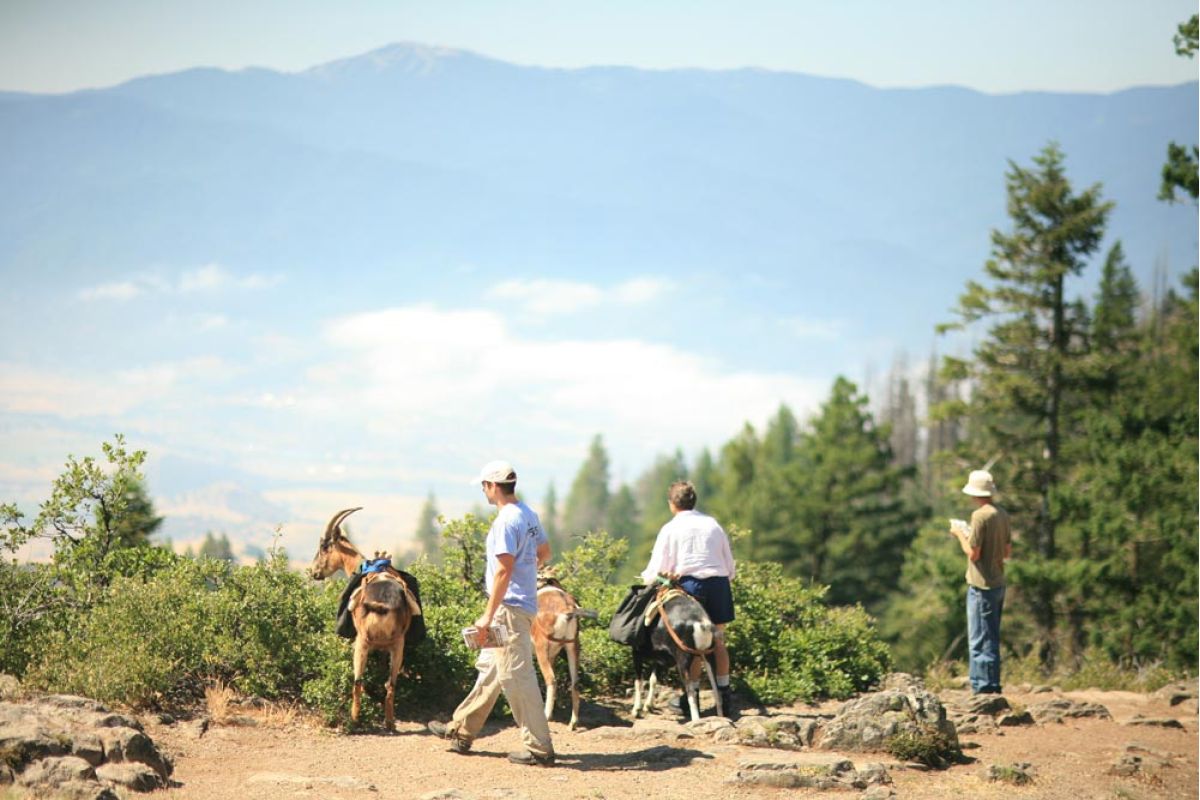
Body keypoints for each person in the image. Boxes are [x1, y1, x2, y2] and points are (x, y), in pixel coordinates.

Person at [428, 460, 556, 766]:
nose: (484, 491)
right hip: (522, 604)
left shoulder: (504, 522)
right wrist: (527, 575)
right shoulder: (527, 514)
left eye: (484, 486)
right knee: (492, 668)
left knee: (517, 675)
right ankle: (462, 730)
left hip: (508, 609)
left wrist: (487, 615)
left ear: (493, 486)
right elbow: (544, 552)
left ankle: (539, 747)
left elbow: (503, 571)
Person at [640, 480, 736, 717]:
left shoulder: (670, 529)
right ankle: (724, 693)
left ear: (672, 504)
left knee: (694, 644)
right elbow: (729, 563)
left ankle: (689, 699)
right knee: (717, 639)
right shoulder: (713, 525)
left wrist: (649, 579)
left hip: (691, 586)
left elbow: (657, 569)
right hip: (719, 583)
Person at [949, 469, 1012, 695]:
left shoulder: (979, 516)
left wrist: (959, 534)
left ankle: (982, 688)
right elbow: (1007, 551)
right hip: (998, 582)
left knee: (978, 639)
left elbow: (973, 553)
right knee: (991, 637)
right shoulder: (1002, 514)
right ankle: (992, 684)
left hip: (981, 585)